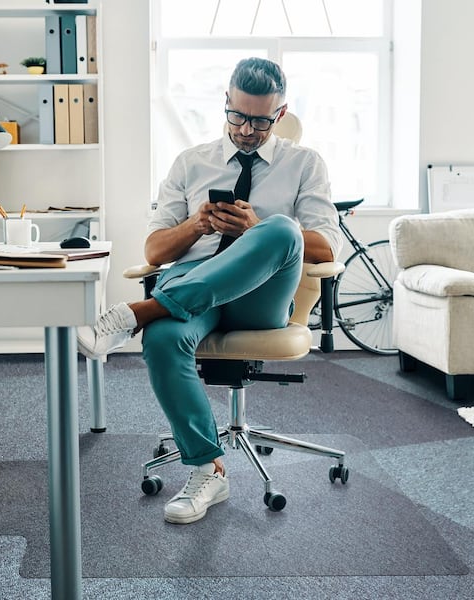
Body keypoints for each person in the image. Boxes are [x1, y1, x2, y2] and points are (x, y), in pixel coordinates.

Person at [78, 57, 342, 524]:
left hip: (259, 296)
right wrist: (195, 224)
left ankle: (136, 313)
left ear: (280, 115)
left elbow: (325, 246)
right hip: (193, 284)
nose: (246, 129)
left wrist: (256, 228)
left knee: (283, 230)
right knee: (163, 337)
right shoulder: (190, 162)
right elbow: (155, 251)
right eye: (237, 116)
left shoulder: (305, 164)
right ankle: (207, 470)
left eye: (261, 121)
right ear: (225, 103)